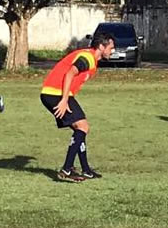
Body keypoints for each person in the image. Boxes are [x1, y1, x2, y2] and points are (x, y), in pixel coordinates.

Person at [40, 32, 116, 182]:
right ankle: (67, 169)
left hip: (56, 93)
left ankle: (86, 170)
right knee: (83, 127)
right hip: (55, 94)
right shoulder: (87, 58)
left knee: (80, 129)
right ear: (101, 47)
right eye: (111, 47)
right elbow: (70, 73)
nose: (112, 51)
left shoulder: (92, 59)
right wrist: (64, 100)